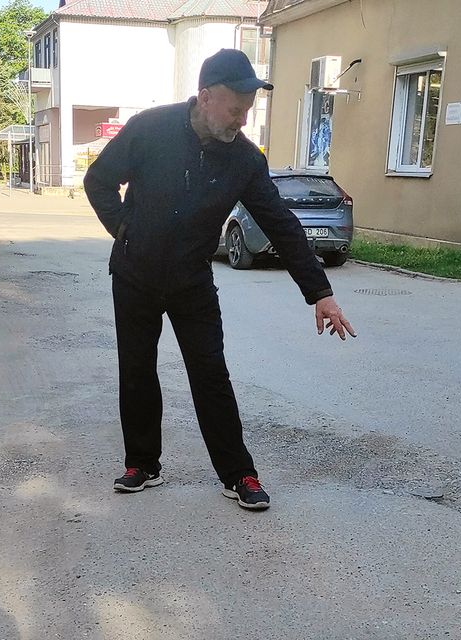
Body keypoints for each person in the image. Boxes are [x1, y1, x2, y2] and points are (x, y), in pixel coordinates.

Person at [83, 49, 355, 511]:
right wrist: (125, 230)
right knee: (137, 369)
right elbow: (99, 180)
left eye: (248, 111)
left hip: (191, 280)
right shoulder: (150, 128)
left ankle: (238, 473)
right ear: (205, 97)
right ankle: (142, 464)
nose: (242, 120)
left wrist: (320, 293)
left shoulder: (244, 159)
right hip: (135, 273)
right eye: (235, 110)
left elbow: (280, 223)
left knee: (210, 374)